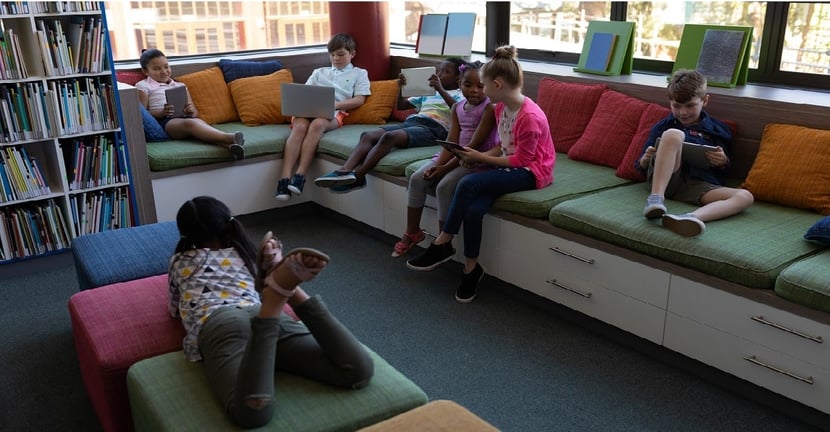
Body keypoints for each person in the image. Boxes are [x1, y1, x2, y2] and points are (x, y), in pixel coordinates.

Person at [167, 196, 373, 428]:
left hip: (220, 323)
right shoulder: (243, 253)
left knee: (251, 412)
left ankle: (276, 294)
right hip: (259, 311)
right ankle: (285, 289)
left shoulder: (178, 261)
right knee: (358, 371)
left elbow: (174, 310)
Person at [406, 46, 555, 304]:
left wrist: (479, 158)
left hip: (531, 172)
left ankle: (442, 243)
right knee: (474, 210)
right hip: (507, 165)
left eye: (485, 85)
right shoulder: (500, 108)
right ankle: (471, 269)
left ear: (497, 84)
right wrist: (471, 153)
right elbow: (503, 145)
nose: (482, 91)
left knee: (468, 182)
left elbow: (523, 160)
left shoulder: (529, 116)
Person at [392, 61, 498, 258]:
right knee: (418, 177)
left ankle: (443, 242)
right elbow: (452, 141)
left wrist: (443, 169)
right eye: (468, 85)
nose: (474, 91)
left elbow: (473, 146)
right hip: (456, 154)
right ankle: (412, 232)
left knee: (444, 186)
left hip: (477, 159)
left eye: (480, 86)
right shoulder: (457, 106)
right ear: (460, 84)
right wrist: (438, 164)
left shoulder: (488, 109)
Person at [314, 57, 465, 193]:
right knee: (367, 135)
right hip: (413, 121)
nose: (439, 74)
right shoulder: (429, 91)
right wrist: (401, 88)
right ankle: (344, 171)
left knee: (389, 137)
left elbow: (459, 111)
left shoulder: (460, 94)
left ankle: (359, 176)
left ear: (458, 77)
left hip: (435, 129)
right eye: (439, 70)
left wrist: (440, 89)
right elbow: (402, 106)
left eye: (446, 72)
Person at [638, 69, 754, 237]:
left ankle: (688, 218)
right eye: (676, 106)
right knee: (673, 134)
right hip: (665, 180)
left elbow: (725, 171)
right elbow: (640, 167)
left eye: (690, 105)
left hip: (696, 186)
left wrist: (722, 161)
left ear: (705, 100)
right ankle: (655, 199)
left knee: (745, 196)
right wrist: (645, 159)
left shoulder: (718, 130)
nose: (683, 112)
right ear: (669, 102)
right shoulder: (663, 126)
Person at [275, 33, 371, 201]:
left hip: (334, 113)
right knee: (300, 127)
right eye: (332, 54)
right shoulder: (319, 72)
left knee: (318, 124)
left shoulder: (359, 73)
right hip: (307, 109)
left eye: (341, 54)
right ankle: (283, 179)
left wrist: (334, 105)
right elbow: (304, 93)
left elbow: (359, 99)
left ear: (352, 54)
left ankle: (299, 177)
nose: (335, 58)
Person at [135, 49, 246, 160]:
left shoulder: (180, 85)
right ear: (145, 71)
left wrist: (190, 111)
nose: (164, 71)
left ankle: (230, 146)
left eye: (166, 66)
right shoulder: (143, 86)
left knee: (198, 122)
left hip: (184, 118)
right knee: (190, 124)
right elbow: (142, 115)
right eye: (157, 69)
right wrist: (161, 113)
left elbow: (195, 113)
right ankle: (230, 137)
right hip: (164, 123)